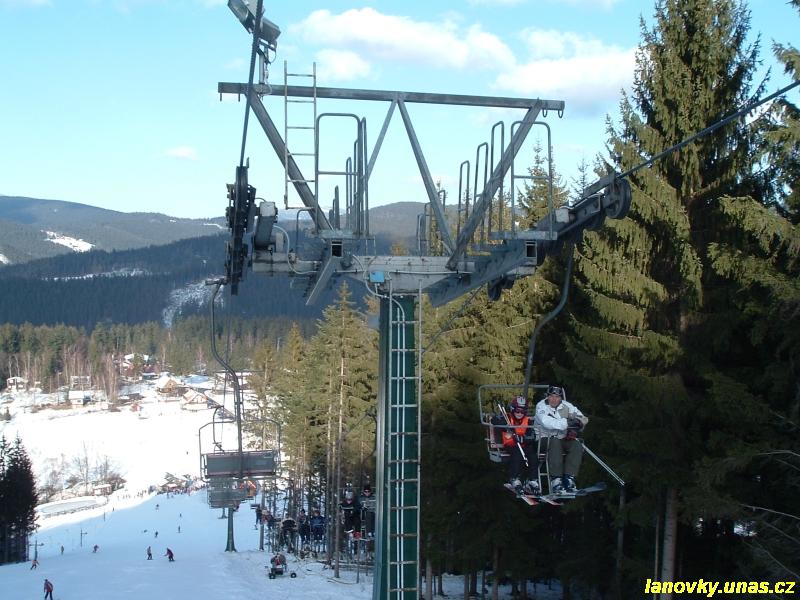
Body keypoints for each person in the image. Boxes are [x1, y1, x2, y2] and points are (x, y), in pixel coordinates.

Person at [534, 385, 588, 494]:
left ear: (560, 398)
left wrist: (576, 426)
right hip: (543, 438)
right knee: (555, 442)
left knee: (576, 445)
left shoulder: (566, 406)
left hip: (563, 438)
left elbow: (582, 418)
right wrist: (568, 423)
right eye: (551, 396)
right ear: (547, 396)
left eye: (557, 397)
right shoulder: (541, 406)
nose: (554, 399)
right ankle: (556, 480)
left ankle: (569, 478)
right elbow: (547, 422)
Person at [501, 395, 539, 495]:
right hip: (510, 445)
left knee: (532, 455)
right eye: (517, 411)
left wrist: (523, 438)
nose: (519, 413)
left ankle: (533, 480)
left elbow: (532, 436)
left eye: (522, 411)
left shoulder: (528, 421)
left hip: (523, 445)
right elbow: (495, 420)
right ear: (513, 409)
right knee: (517, 453)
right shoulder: (507, 418)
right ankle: (514, 478)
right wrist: (506, 427)